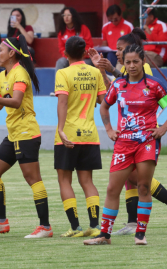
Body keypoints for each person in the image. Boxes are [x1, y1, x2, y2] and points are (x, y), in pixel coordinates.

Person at [89, 30, 167, 235]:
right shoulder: (123, 70)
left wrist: (163, 126)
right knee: (130, 181)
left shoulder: (145, 73)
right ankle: (132, 223)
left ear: (138, 56)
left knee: (139, 181)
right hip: (126, 138)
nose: (117, 53)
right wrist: (102, 70)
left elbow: (146, 90)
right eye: (117, 51)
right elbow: (114, 92)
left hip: (144, 138)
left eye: (120, 49)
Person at [0, 35, 52, 238]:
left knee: (32, 179)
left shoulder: (20, 73)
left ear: (12, 53)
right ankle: (1, 222)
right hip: (14, 134)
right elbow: (0, 105)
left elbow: (17, 102)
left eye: (0, 50)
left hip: (26, 133)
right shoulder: (3, 75)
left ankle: (45, 227)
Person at [54, 36, 106, 238]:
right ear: (85, 53)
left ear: (65, 53)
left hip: (68, 134)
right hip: (90, 134)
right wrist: (99, 69)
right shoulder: (94, 72)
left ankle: (75, 227)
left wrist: (60, 129)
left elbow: (63, 103)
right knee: (87, 181)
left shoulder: (63, 73)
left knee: (64, 181)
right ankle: (94, 225)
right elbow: (103, 99)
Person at [0, 8, 35, 93]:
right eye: (13, 16)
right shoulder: (11, 30)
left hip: (23, 51)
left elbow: (29, 40)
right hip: (12, 52)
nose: (15, 17)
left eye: (18, 15)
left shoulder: (28, 27)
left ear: (22, 17)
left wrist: (19, 27)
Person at [55, 7, 94, 73]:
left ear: (74, 16)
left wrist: (80, 56)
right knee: (60, 62)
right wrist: (69, 57)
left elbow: (89, 45)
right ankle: (59, 83)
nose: (66, 17)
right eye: (64, 15)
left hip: (83, 58)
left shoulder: (83, 28)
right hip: (69, 58)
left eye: (69, 15)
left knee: (87, 64)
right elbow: (61, 48)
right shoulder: (61, 32)